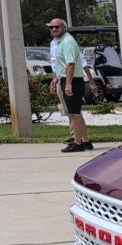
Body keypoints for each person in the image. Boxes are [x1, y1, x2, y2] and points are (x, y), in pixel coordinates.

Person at [47, 18, 94, 153]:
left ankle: (77, 143)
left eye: (57, 27)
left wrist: (68, 83)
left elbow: (70, 64)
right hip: (67, 79)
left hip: (72, 80)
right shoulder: (59, 42)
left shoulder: (67, 42)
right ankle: (86, 141)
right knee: (75, 113)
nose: (54, 29)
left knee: (74, 114)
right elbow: (60, 64)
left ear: (64, 27)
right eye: (51, 27)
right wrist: (57, 78)